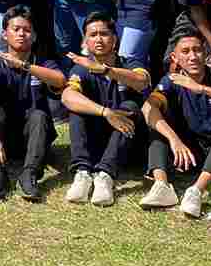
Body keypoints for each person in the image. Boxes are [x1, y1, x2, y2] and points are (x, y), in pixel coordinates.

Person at [140, 25, 211, 217]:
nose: (193, 57)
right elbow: (147, 109)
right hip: (188, 152)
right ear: (175, 57)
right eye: (185, 51)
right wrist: (174, 140)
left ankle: (197, 191)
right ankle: (161, 186)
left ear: (206, 53)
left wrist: (203, 89)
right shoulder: (172, 80)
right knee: (158, 124)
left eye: (197, 50)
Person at [60, 12, 150, 206]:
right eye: (93, 35)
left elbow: (142, 81)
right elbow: (67, 96)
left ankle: (105, 176)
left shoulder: (130, 63)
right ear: (86, 41)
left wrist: (106, 70)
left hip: (128, 143)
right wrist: (106, 112)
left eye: (104, 34)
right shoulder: (81, 69)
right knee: (77, 108)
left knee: (130, 106)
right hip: (96, 141)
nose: (99, 39)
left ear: (115, 39)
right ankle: (82, 173)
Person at [0, 8, 64, 199]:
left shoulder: (42, 63)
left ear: (34, 36)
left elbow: (60, 80)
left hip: (34, 137)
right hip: (4, 138)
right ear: (4, 34)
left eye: (27, 30)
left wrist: (25, 66)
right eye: (16, 29)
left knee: (39, 115)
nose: (21, 34)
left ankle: (29, 174)